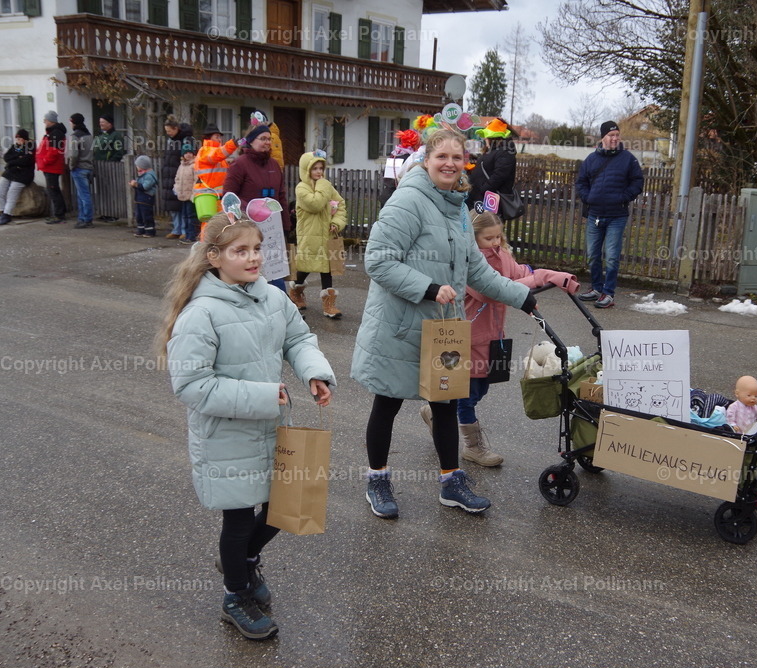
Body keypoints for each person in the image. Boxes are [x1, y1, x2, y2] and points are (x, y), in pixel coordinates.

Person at [160, 212, 335, 641]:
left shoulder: (272, 297)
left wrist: (313, 372)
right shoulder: (201, 314)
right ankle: (235, 595)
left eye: (257, 248)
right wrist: (261, 397)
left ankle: (243, 559)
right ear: (215, 257)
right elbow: (191, 384)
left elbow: (298, 338)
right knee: (238, 523)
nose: (253, 257)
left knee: (282, 509)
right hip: (228, 439)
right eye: (241, 251)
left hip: (273, 429)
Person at [351, 128, 537, 519]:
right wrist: (429, 287)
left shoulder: (457, 208)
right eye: (442, 157)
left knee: (446, 405)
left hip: (443, 329)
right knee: (387, 402)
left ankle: (451, 482)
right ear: (427, 160)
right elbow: (379, 261)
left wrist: (521, 294)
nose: (450, 164)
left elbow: (477, 273)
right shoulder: (408, 201)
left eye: (457, 157)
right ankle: (377, 480)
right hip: (401, 325)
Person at [420, 208, 577, 466]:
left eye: (498, 237)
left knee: (481, 388)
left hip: (493, 338)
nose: (495, 243)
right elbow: (492, 292)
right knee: (467, 395)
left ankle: (435, 413)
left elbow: (518, 274)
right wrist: (530, 284)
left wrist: (550, 276)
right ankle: (473, 447)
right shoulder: (467, 261)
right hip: (466, 337)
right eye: (488, 238)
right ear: (473, 237)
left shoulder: (502, 255)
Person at [575, 120, 644, 309]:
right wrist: (588, 197)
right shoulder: (591, 159)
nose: (614, 138)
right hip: (594, 215)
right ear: (602, 137)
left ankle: (608, 293)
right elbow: (581, 182)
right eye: (611, 135)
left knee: (612, 257)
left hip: (617, 216)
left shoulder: (628, 159)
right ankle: (596, 288)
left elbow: (637, 181)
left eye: (617, 135)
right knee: (593, 255)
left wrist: (624, 197)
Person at [223, 125, 291, 293]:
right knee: (254, 268)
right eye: (263, 139)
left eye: (269, 139)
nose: (267, 142)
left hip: (272, 229)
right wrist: (248, 213)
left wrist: (286, 226)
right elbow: (229, 196)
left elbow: (281, 196)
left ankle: (281, 304)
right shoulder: (239, 165)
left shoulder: (274, 165)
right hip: (248, 228)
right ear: (251, 141)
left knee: (274, 269)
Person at [291, 151, 347, 318]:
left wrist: (336, 223)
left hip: (327, 236)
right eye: (314, 168)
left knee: (327, 268)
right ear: (305, 170)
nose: (319, 172)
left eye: (321, 168)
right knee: (305, 266)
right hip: (309, 236)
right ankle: (296, 291)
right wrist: (323, 185)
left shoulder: (325, 186)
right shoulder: (302, 188)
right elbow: (315, 204)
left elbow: (341, 204)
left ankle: (329, 304)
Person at [466, 117, 518, 210]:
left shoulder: (505, 152)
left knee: (489, 224)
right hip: (480, 198)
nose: (485, 138)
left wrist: (483, 189)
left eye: (487, 135)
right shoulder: (493, 151)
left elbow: (499, 175)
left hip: (489, 201)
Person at [193, 122, 239, 227]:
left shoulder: (215, 153)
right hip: (209, 195)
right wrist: (232, 145)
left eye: (220, 137)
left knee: (217, 224)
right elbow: (216, 155)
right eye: (217, 136)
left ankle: (209, 242)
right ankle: (207, 243)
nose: (219, 139)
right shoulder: (206, 151)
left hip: (215, 195)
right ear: (209, 138)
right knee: (210, 225)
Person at [161, 116, 195, 239]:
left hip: (181, 174)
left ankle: (184, 230)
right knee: (173, 205)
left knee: (183, 205)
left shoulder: (186, 140)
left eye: (169, 131)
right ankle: (177, 228)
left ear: (176, 129)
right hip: (172, 176)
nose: (168, 133)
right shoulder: (171, 140)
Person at [0, 129, 35, 225]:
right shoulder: (15, 147)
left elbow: (26, 161)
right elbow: (6, 157)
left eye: (20, 138)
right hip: (10, 171)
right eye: (17, 138)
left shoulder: (30, 147)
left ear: (25, 139)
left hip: (23, 174)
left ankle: (7, 214)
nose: (18, 140)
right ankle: (2, 211)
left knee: (12, 192)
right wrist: (17, 158)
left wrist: (13, 160)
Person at [35, 111, 68, 224]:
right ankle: (60, 213)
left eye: (45, 120)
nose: (44, 122)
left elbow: (54, 152)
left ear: (50, 121)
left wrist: (44, 161)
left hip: (51, 167)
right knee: (54, 190)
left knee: (53, 190)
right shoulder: (53, 132)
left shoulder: (56, 133)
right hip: (49, 166)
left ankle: (59, 215)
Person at [66, 113, 95, 229]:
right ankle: (83, 218)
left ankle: (86, 219)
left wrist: (71, 166)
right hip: (89, 167)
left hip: (79, 168)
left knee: (83, 195)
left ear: (74, 122)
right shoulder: (89, 135)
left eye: (70, 121)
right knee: (83, 194)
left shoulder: (75, 136)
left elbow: (73, 154)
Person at [380, 128, 421, 206]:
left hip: (387, 196)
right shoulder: (411, 158)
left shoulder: (394, 155)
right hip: (399, 199)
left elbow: (386, 176)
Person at [173, 142, 199, 244]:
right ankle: (187, 234)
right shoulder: (181, 166)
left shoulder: (194, 166)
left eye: (190, 152)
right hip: (182, 196)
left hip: (191, 197)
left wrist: (194, 194)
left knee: (191, 216)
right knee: (185, 216)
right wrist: (176, 189)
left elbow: (196, 181)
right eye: (186, 153)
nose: (188, 154)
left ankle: (191, 236)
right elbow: (177, 179)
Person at [129, 155, 158, 237]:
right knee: (139, 215)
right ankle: (141, 229)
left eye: (137, 166)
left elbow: (145, 187)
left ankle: (150, 231)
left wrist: (136, 184)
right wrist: (134, 185)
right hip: (139, 199)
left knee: (147, 215)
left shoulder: (149, 176)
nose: (137, 167)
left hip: (146, 198)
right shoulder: (142, 175)